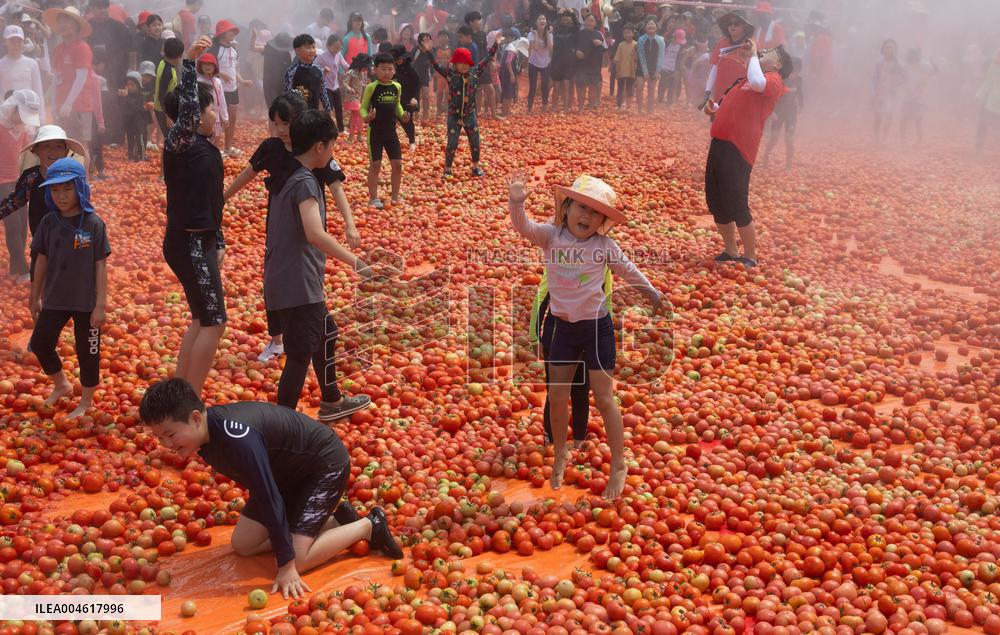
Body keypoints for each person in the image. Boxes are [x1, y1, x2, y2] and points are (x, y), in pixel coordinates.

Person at [139, 378, 402, 600]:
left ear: (195, 418)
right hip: (286, 475)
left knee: (297, 559)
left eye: (170, 435)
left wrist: (286, 565)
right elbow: (267, 488)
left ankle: (369, 525)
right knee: (243, 544)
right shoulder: (207, 435)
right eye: (159, 437)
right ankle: (337, 519)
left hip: (324, 466)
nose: (166, 444)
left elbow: (267, 493)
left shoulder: (236, 438)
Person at [508, 173, 664, 499]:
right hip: (563, 329)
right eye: (581, 207)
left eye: (595, 213)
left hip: (596, 330)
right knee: (558, 397)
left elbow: (628, 270)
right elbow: (523, 228)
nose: (586, 216)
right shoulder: (551, 237)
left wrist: (651, 294)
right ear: (566, 208)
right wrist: (517, 202)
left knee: (605, 399)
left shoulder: (604, 246)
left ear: (603, 222)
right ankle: (561, 454)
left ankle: (619, 464)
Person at [224, 92, 362, 363]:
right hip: (282, 226)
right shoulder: (272, 148)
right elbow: (248, 173)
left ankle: (305, 344)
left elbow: (336, 186)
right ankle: (278, 340)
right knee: (276, 281)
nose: (281, 130)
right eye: (276, 123)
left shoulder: (316, 153)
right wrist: (222, 198)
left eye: (286, 123)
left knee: (306, 285)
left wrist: (349, 223)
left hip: (309, 229)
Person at [260, 109, 374, 417]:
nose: (333, 151)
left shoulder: (288, 175)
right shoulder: (305, 183)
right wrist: (356, 262)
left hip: (287, 278)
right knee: (299, 355)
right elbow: (314, 233)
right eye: (333, 145)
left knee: (326, 333)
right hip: (296, 282)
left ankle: (332, 400)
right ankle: (281, 424)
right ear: (320, 147)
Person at [161, 35, 227, 396]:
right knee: (215, 323)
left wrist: (218, 238)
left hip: (198, 239)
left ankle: (181, 391)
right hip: (187, 242)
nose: (215, 114)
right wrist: (189, 62)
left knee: (203, 319)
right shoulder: (179, 141)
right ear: (194, 115)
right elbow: (187, 107)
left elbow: (212, 199)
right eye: (211, 108)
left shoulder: (201, 147)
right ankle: (190, 401)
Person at [28, 158, 110, 420]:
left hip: (86, 302)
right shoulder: (48, 223)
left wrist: (100, 304)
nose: (61, 196)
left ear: (81, 188)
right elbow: (41, 260)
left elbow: (100, 266)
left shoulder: (94, 224)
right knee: (40, 343)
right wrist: (35, 296)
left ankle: (85, 401)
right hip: (54, 298)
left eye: (67, 189)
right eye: (55, 190)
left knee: (88, 351)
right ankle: (62, 384)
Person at [704, 42, 792, 268]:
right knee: (716, 200)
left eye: (770, 51)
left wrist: (753, 55)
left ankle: (750, 255)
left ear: (779, 63)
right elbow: (729, 104)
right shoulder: (744, 81)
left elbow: (757, 82)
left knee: (736, 201)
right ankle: (731, 250)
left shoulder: (774, 80)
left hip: (739, 147)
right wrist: (714, 107)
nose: (764, 51)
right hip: (720, 142)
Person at [528, 267, 608, 448]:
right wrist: (535, 336)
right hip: (557, 335)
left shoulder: (603, 259)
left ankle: (579, 443)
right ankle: (551, 444)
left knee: (580, 390)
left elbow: (606, 297)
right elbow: (541, 296)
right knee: (557, 393)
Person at [0, 126, 87, 283]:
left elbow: (84, 212)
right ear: (36, 150)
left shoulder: (73, 178)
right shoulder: (31, 177)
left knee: (67, 283)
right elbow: (15, 201)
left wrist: (84, 247)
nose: (52, 151)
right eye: (46, 146)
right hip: (40, 243)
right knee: (41, 283)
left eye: (58, 147)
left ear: (66, 151)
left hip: (68, 243)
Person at [422, 35, 502, 178]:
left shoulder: (475, 72)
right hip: (454, 115)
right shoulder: (450, 74)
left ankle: (475, 167)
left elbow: (488, 58)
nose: (464, 65)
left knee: (475, 141)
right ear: (455, 64)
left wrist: (495, 44)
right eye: (460, 62)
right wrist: (429, 51)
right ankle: (447, 168)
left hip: (470, 114)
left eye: (466, 62)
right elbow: (435, 65)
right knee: (452, 143)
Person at [0, 89, 40, 282]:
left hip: (18, 181)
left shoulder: (22, 129)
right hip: (1, 182)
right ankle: (23, 269)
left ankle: (16, 265)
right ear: (12, 108)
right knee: (13, 224)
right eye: (21, 115)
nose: (23, 120)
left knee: (24, 223)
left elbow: (28, 152)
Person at [360, 52, 409, 208]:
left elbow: (397, 106)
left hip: (391, 133)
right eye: (383, 69)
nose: (387, 72)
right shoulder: (371, 87)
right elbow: (362, 108)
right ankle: (374, 198)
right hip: (375, 133)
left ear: (394, 70)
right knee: (376, 165)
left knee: (398, 164)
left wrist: (403, 116)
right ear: (375, 70)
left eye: (390, 69)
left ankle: (395, 196)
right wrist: (366, 117)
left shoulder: (397, 87)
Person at [45, 6, 97, 150]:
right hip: (62, 107)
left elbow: (81, 78)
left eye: (67, 21)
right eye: (60, 21)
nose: (63, 25)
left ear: (76, 25)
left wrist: (68, 103)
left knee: (80, 144)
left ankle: (83, 173)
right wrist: (54, 103)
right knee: (63, 144)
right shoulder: (58, 49)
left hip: (79, 105)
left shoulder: (82, 48)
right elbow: (55, 78)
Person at [87, 0, 136, 146]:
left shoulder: (119, 27)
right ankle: (95, 139)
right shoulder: (86, 27)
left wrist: (132, 72)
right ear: (91, 9)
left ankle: (116, 139)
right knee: (94, 105)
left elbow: (131, 50)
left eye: (104, 7)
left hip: (117, 74)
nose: (102, 10)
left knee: (116, 106)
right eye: (98, 7)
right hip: (92, 74)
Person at [211, 20, 251, 157]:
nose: (233, 33)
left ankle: (228, 147)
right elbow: (205, 70)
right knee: (218, 119)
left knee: (232, 117)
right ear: (221, 33)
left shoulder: (234, 50)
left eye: (234, 31)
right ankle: (215, 148)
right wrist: (219, 73)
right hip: (217, 89)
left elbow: (235, 69)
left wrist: (242, 81)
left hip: (233, 89)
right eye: (230, 31)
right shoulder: (214, 49)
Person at [701, 11, 754, 108]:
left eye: (736, 24)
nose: (732, 26)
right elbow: (715, 68)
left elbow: (754, 73)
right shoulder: (722, 43)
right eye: (729, 24)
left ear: (744, 27)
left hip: (740, 94)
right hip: (720, 93)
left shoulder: (750, 46)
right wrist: (707, 91)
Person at [0, 26, 45, 123]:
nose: (16, 44)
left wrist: (41, 118)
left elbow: (38, 91)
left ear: (23, 42)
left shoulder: (32, 63)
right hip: (6, 117)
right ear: (5, 42)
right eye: (12, 41)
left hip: (28, 116)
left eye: (19, 41)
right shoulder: (1, 65)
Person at [762, 57, 801, 169]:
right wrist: (772, 111)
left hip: (791, 113)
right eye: (792, 71)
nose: (794, 74)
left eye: (796, 72)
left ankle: (789, 165)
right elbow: (772, 96)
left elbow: (800, 95)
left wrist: (800, 106)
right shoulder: (779, 79)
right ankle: (765, 157)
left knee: (789, 139)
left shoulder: (799, 80)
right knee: (774, 137)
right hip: (779, 112)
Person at [286, 34, 333, 114]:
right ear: (297, 50)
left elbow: (323, 92)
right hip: (298, 115)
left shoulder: (318, 69)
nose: (312, 50)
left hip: (314, 114)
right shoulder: (292, 72)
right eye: (308, 48)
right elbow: (288, 94)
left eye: (313, 47)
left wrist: (328, 110)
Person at [465, 11, 497, 119]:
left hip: (483, 66)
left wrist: (491, 61)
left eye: (480, 20)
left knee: (490, 90)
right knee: (476, 91)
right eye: (477, 20)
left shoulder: (483, 34)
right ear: (471, 22)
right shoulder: (467, 35)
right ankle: (476, 113)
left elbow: (486, 50)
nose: (480, 22)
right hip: (472, 67)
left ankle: (494, 114)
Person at [873, 39, 904, 145]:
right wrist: (874, 90)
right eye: (887, 47)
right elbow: (875, 78)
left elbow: (904, 77)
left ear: (895, 50)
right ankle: (877, 138)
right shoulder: (879, 62)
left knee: (889, 115)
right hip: (880, 92)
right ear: (883, 49)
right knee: (878, 116)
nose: (889, 49)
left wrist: (896, 84)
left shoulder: (898, 63)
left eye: (891, 47)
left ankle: (884, 138)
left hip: (891, 93)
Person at [390, 45, 421, 150]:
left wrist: (415, 97)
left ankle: (412, 141)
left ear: (403, 57)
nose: (398, 61)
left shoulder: (410, 68)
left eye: (399, 59)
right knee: (398, 118)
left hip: (410, 98)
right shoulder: (396, 67)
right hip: (399, 96)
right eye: (396, 59)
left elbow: (418, 83)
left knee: (407, 120)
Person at [196, 53, 229, 151]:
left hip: (217, 115)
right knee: (204, 137)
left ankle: (213, 155)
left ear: (215, 67)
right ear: (200, 67)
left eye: (210, 64)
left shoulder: (217, 82)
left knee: (216, 137)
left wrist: (225, 117)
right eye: (204, 64)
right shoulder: (198, 81)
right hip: (204, 115)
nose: (207, 67)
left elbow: (222, 100)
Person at [900, 48, 932, 146]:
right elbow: (902, 78)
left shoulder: (925, 65)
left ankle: (919, 141)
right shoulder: (905, 66)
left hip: (919, 96)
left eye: (916, 56)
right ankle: (902, 141)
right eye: (912, 56)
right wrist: (907, 89)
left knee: (918, 120)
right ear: (909, 56)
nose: (914, 58)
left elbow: (930, 74)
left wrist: (921, 87)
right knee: (904, 118)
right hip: (908, 95)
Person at [154, 38, 183, 144]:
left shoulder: (162, 62)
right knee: (172, 140)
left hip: (166, 108)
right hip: (163, 110)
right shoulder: (168, 72)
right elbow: (162, 96)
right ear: (180, 55)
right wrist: (168, 117)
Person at [316, 34, 348, 132]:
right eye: (335, 48)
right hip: (326, 86)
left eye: (339, 48)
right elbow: (314, 68)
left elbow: (345, 65)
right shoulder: (322, 56)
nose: (337, 50)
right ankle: (328, 129)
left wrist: (352, 70)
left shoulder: (339, 54)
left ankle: (341, 129)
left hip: (336, 85)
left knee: (339, 108)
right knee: (328, 108)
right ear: (328, 46)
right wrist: (322, 70)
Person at [550, 10, 578, 114]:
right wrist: (559, 14)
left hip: (569, 62)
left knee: (566, 85)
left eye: (568, 20)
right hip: (556, 62)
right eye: (564, 19)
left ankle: (565, 109)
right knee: (556, 86)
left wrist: (572, 14)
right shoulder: (556, 30)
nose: (566, 21)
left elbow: (577, 25)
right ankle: (554, 108)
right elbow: (555, 24)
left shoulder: (573, 31)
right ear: (560, 20)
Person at [636, 20, 663, 115]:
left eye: (653, 23)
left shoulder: (661, 40)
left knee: (651, 90)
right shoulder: (641, 39)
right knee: (639, 88)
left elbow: (661, 56)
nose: (651, 25)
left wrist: (657, 71)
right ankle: (639, 110)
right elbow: (641, 55)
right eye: (648, 24)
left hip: (654, 68)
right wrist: (645, 71)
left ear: (656, 27)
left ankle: (650, 110)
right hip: (641, 67)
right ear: (645, 27)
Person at [527, 14, 553, 113]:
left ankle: (544, 106)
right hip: (533, 62)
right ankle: (529, 108)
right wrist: (537, 34)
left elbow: (550, 49)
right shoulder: (531, 34)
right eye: (540, 19)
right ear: (536, 22)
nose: (542, 20)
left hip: (546, 62)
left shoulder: (549, 34)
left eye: (544, 19)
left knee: (545, 85)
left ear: (546, 22)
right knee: (532, 86)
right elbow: (536, 48)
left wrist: (547, 34)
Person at [341, 53, 370, 144]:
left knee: (357, 116)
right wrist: (350, 89)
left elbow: (361, 84)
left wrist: (366, 86)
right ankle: (354, 136)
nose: (366, 69)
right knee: (358, 115)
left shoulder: (362, 73)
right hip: (351, 98)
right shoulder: (351, 72)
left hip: (358, 98)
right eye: (365, 66)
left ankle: (355, 136)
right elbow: (344, 83)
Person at [118, 71, 147, 161]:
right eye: (128, 85)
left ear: (138, 86)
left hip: (139, 123)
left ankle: (141, 156)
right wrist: (121, 97)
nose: (129, 87)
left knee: (140, 140)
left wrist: (126, 97)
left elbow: (136, 107)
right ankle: (131, 157)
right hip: (129, 123)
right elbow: (122, 107)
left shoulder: (140, 96)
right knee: (130, 140)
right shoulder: (127, 96)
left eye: (132, 85)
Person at [975, 51, 1000, 153]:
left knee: (987, 124)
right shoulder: (993, 66)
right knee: (983, 123)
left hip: (992, 102)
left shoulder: (994, 66)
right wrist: (979, 95)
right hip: (990, 101)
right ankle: (978, 147)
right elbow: (988, 82)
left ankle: (979, 146)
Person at [262, 32, 293, 108]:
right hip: (271, 84)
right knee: (273, 107)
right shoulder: (269, 53)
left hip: (283, 84)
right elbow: (271, 73)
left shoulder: (287, 54)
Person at [659, 28, 686, 106]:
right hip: (664, 67)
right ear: (673, 38)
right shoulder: (666, 44)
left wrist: (677, 69)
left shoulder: (680, 47)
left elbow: (679, 59)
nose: (678, 42)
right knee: (663, 84)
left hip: (673, 68)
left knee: (672, 85)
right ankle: (660, 98)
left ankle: (669, 102)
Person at [612, 23, 636, 111]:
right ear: (623, 34)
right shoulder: (621, 45)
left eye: (629, 32)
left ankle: (628, 106)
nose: (627, 34)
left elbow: (637, 59)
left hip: (631, 71)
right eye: (625, 33)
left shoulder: (636, 45)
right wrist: (617, 71)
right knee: (620, 88)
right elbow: (616, 59)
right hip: (621, 71)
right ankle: (619, 105)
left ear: (633, 33)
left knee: (630, 88)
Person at [411, 33, 434, 124]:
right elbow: (412, 62)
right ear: (419, 44)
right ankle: (416, 116)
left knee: (426, 96)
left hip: (425, 75)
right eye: (424, 43)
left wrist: (431, 74)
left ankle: (425, 116)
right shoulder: (416, 50)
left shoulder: (432, 51)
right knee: (416, 96)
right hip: (416, 75)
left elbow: (434, 63)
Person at [433, 31, 452, 115]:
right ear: (438, 39)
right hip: (439, 75)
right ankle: (438, 109)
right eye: (441, 36)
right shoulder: (435, 50)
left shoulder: (452, 49)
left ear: (448, 38)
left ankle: (448, 108)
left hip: (449, 75)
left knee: (448, 92)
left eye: (445, 36)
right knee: (439, 93)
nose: (443, 38)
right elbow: (432, 62)